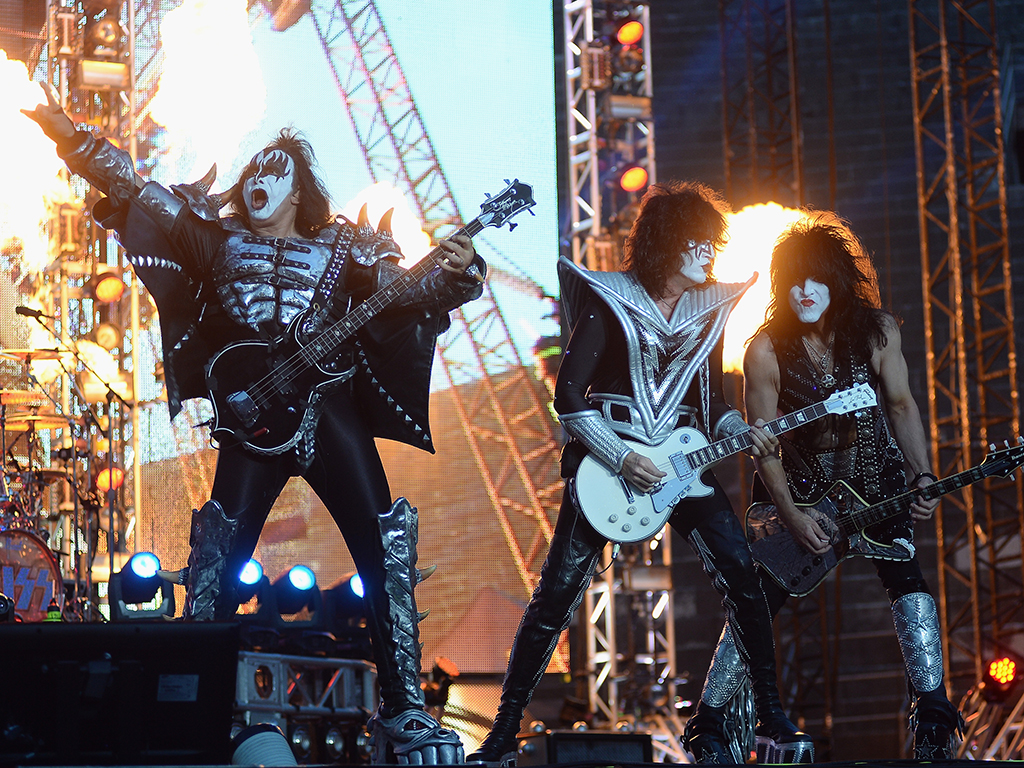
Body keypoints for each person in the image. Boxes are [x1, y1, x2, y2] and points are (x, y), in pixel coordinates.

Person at [24, 85, 483, 765]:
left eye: (278, 170)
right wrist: (70, 136)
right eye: (256, 169)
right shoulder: (216, 239)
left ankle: (407, 710)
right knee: (214, 558)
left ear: (301, 190)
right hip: (250, 419)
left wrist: (457, 275)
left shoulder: (346, 246)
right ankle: (183, 702)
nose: (262, 178)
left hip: (328, 410)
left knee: (385, 547)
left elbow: (408, 293)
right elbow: (138, 187)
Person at [468, 181, 813, 767]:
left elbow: (713, 402)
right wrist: (623, 457)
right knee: (555, 596)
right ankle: (501, 734)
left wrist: (740, 430)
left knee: (743, 577)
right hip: (611, 466)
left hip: (683, 464)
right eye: (699, 242)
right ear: (668, 241)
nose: (710, 253)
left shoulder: (712, 309)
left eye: (713, 243)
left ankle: (771, 716)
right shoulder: (610, 299)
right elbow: (569, 398)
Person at [686, 213, 963, 760]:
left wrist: (923, 474)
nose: (802, 291)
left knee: (908, 581)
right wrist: (789, 515)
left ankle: (933, 716)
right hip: (799, 489)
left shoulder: (878, 331)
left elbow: (902, 404)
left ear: (835, 280)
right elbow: (762, 445)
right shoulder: (763, 350)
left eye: (813, 279)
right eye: (791, 280)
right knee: (759, 601)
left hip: (874, 478)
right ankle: (711, 724)